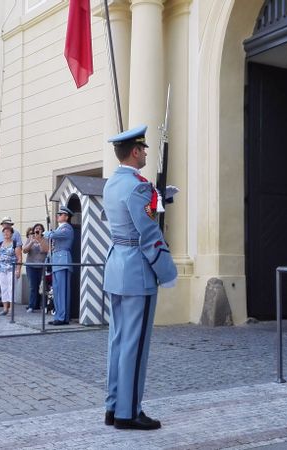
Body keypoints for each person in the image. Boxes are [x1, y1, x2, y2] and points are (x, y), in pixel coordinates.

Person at [102, 125, 177, 430]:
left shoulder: (113, 183)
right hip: (138, 270)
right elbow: (148, 233)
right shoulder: (138, 186)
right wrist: (166, 270)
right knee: (135, 344)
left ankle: (113, 406)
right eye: (144, 148)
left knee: (119, 342)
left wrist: (160, 198)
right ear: (135, 151)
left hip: (117, 266)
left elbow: (132, 213)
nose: (146, 152)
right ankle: (128, 412)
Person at [44, 207, 74, 326]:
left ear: (66, 217)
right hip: (57, 261)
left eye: (61, 214)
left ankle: (62, 317)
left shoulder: (67, 228)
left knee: (61, 290)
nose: (58, 215)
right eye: (58, 214)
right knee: (57, 290)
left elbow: (55, 235)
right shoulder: (60, 228)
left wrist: (49, 233)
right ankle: (59, 315)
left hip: (63, 260)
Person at [0, 217, 22, 307]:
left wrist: (18, 270)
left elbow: (19, 257)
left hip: (11, 268)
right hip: (1, 268)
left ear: (11, 233)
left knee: (11, 288)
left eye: (8, 232)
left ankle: (11, 309)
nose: (6, 233)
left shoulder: (15, 240)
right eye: (4, 232)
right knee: (3, 287)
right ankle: (5, 308)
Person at [23, 223, 49, 312]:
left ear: (42, 230)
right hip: (31, 266)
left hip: (42, 266)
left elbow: (45, 250)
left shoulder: (45, 239)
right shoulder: (30, 238)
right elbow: (25, 250)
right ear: (34, 230)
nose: (37, 230)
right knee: (33, 287)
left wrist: (40, 240)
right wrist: (31, 242)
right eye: (36, 228)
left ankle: (44, 306)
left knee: (43, 287)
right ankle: (31, 306)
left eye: (40, 229)